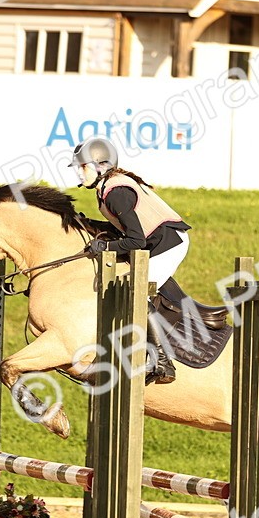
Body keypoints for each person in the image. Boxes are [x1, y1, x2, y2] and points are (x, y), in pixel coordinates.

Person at [69, 136, 192, 384]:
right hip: (157, 240)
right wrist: (89, 224)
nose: (79, 174)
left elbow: (135, 241)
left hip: (168, 244)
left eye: (83, 167)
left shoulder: (116, 192)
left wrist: (103, 246)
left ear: (100, 165)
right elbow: (126, 230)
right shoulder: (109, 187)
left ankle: (162, 362)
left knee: (136, 293)